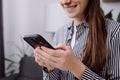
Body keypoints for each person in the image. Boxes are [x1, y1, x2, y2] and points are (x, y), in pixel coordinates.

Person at [34, 0, 120, 80]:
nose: (65, 1)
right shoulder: (59, 33)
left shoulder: (115, 31)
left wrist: (74, 66)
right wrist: (49, 67)